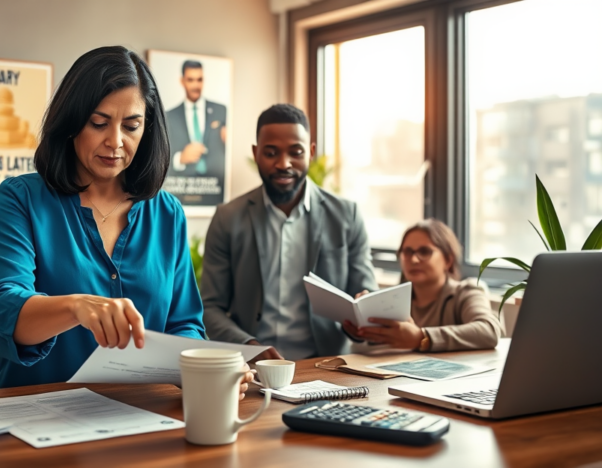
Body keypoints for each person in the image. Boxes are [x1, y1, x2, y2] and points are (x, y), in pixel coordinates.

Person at [0, 46, 253, 395]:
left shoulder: (167, 213)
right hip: (39, 412)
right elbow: (1, 310)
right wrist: (76, 307)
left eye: (132, 126)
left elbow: (184, 324)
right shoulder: (23, 199)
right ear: (72, 122)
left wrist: (207, 368)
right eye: (99, 123)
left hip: (141, 414)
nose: (116, 142)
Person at [201, 104, 378, 361]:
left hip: (326, 365)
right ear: (256, 153)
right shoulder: (228, 218)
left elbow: (365, 292)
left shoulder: (346, 216)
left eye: (296, 152)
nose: (283, 164)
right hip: (251, 368)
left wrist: (364, 312)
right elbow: (209, 307)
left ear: (311, 152)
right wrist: (249, 346)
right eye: (271, 153)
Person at [343, 219, 502, 351]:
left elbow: (489, 331)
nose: (413, 259)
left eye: (425, 251)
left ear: (448, 259)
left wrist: (421, 337)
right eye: (407, 252)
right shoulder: (390, 300)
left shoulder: (467, 292)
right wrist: (361, 329)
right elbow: (366, 348)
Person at [166, 60, 226, 179]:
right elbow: (160, 157)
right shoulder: (169, 116)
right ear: (182, 81)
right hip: (183, 184)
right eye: (190, 80)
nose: (196, 86)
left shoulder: (221, 111)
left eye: (199, 80)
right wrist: (180, 158)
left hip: (216, 183)